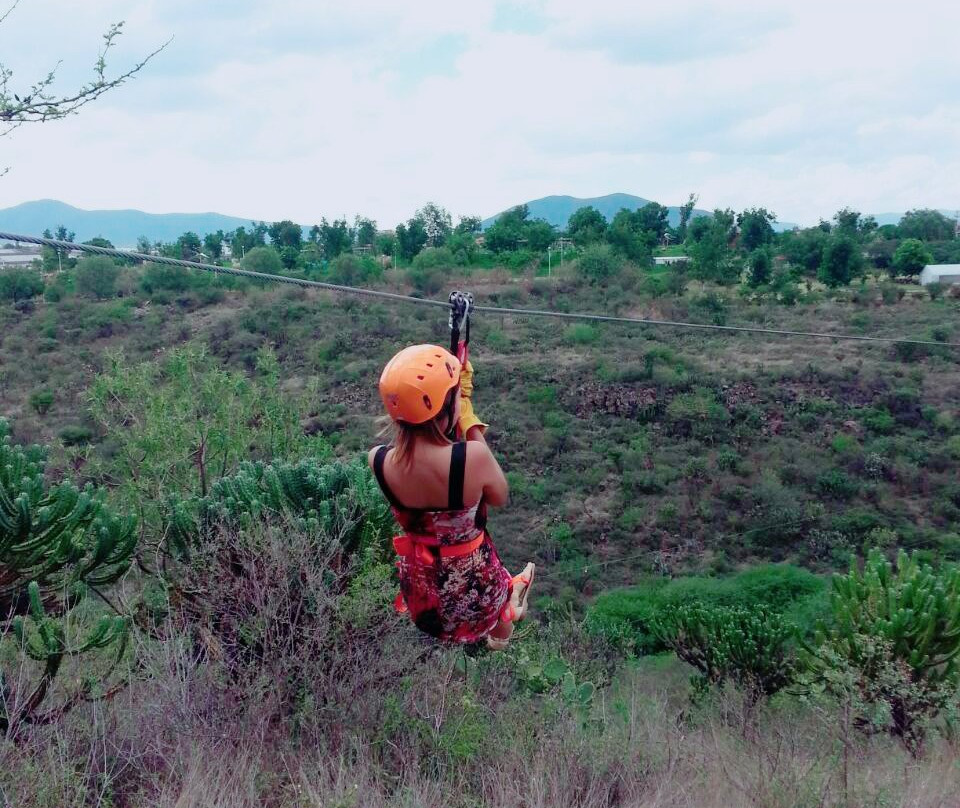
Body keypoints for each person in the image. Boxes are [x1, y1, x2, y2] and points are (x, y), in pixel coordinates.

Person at [369, 344, 534, 650]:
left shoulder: (378, 460)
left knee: (476, 571)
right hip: (476, 596)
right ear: (448, 410)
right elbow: (499, 495)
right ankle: (506, 610)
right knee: (495, 607)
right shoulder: (471, 458)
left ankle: (507, 598)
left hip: (423, 602)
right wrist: (469, 421)